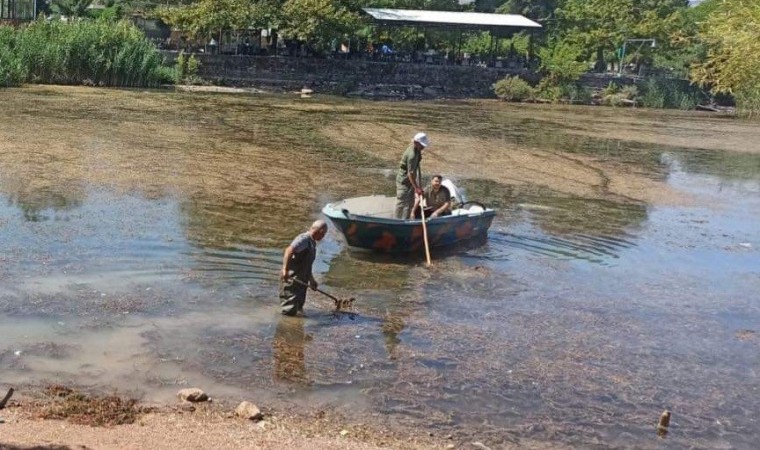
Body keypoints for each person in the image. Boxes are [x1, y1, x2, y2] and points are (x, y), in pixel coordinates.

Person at [279, 220, 328, 316]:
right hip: (292, 280)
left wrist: (311, 280)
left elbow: (306, 265)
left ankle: (297, 329)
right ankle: (285, 329)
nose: (324, 237)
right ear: (320, 231)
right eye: (324, 234)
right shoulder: (304, 239)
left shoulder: (312, 243)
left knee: (299, 309)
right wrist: (285, 270)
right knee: (289, 311)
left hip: (302, 282)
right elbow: (289, 250)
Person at [395, 132, 429, 219]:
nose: (423, 147)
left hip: (410, 181)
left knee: (410, 203)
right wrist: (417, 188)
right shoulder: (412, 155)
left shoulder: (417, 150)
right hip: (404, 181)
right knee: (402, 203)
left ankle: (405, 220)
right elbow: (410, 174)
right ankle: (397, 221)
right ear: (416, 142)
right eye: (422, 145)